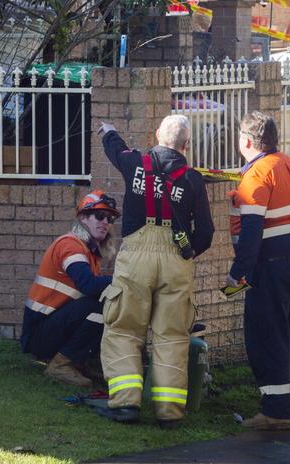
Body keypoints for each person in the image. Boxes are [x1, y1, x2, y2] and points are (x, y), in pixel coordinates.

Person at [96, 115, 215, 428]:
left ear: (156, 135)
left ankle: (125, 405)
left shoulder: (136, 164)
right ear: (186, 145)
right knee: (173, 337)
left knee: (123, 329)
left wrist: (108, 132)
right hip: (176, 262)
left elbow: (115, 148)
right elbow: (206, 232)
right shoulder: (192, 179)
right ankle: (169, 412)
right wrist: (186, 254)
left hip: (135, 258)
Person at [226, 111, 290, 430]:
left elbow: (251, 231)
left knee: (266, 335)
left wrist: (237, 274)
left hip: (272, 266)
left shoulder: (256, 175)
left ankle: (276, 412)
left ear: (246, 141)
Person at [20, 190, 120, 388]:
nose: (105, 222)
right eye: (99, 216)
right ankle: (61, 365)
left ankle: (83, 361)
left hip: (52, 327)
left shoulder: (89, 251)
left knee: (109, 303)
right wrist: (121, 280)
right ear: (83, 217)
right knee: (99, 306)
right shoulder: (70, 245)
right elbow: (88, 285)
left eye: (109, 218)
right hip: (40, 334)